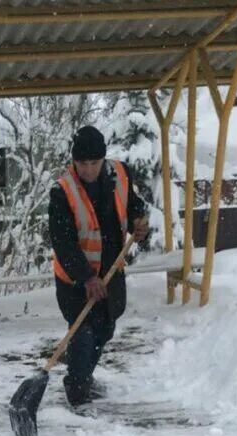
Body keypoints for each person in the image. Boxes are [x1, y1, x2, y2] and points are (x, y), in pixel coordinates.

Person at [49, 125, 149, 409]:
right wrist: (87, 278)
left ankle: (84, 377)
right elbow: (63, 244)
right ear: (74, 161)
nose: (89, 170)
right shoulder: (62, 192)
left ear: (103, 159)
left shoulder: (120, 174)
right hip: (74, 279)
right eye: (83, 164)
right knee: (83, 334)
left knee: (104, 330)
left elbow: (131, 206)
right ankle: (77, 394)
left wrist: (138, 222)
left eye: (95, 163)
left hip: (111, 271)